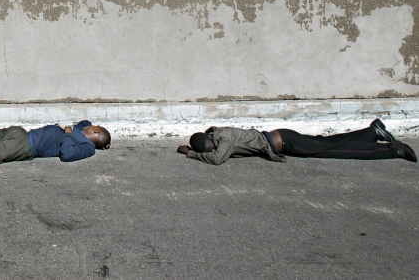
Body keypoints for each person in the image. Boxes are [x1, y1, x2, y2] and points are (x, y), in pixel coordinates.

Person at [177, 119, 417, 165]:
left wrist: (191, 153)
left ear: (210, 139)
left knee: (330, 150)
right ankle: (371, 132)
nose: (215, 149)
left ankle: (392, 150)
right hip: (282, 136)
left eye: (210, 146)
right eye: (210, 148)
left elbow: (218, 160)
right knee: (328, 142)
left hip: (285, 143)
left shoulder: (224, 138)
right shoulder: (217, 132)